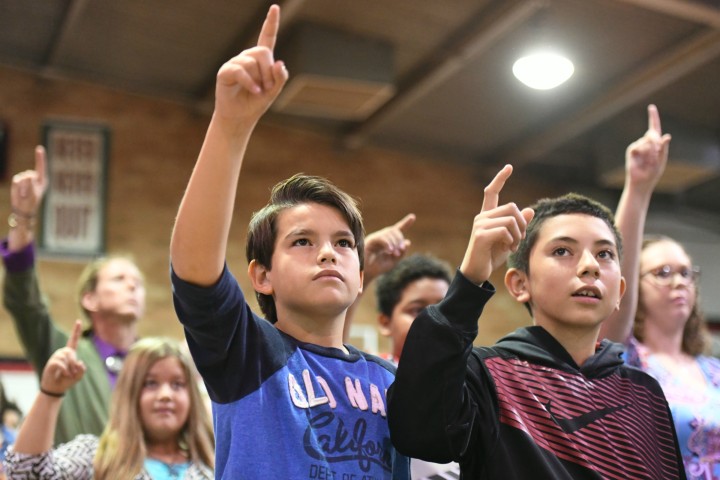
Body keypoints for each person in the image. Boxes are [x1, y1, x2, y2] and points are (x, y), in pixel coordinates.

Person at [169, 5, 409, 479]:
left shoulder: (390, 380)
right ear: (262, 275)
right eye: (302, 241)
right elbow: (194, 273)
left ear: (361, 276)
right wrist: (230, 127)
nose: (327, 252)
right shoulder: (247, 354)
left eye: (344, 244)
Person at [387, 164, 687, 479]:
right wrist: (470, 279)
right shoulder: (488, 375)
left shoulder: (644, 391)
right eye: (562, 250)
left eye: (604, 254)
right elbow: (418, 432)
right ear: (519, 284)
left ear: (620, 292)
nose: (589, 266)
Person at [601, 105, 720, 478]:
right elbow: (617, 275)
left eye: (686, 272)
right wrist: (639, 187)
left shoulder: (713, 370)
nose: (679, 281)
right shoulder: (626, 361)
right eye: (663, 272)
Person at [1, 146, 146, 444]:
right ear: (89, 299)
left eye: (138, 282)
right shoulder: (65, 353)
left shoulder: (155, 360)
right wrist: (24, 216)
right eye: (119, 279)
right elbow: (25, 302)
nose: (132, 286)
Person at [3, 320, 214, 479]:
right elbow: (25, 473)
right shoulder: (95, 457)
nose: (166, 395)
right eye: (150, 383)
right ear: (129, 393)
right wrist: (50, 393)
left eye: (177, 384)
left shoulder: (216, 464)